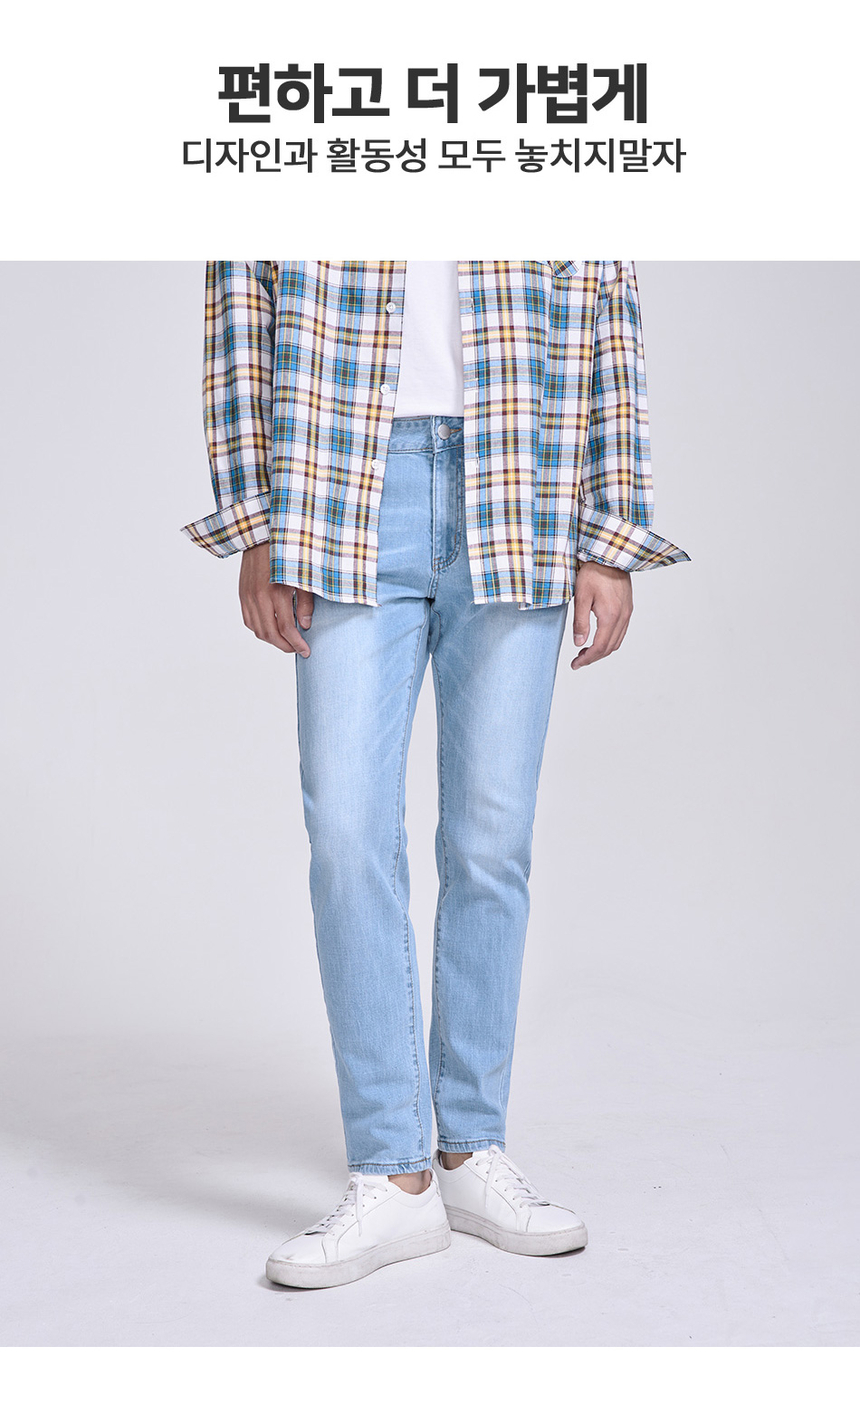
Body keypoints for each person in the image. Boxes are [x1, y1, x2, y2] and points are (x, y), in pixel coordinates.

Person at [181, 260, 689, 1290]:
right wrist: (256, 521)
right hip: (341, 480)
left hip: (522, 480)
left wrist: (610, 534)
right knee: (348, 832)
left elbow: (609, 313)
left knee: (491, 840)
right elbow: (241, 300)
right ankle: (391, 1172)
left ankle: (468, 1150)